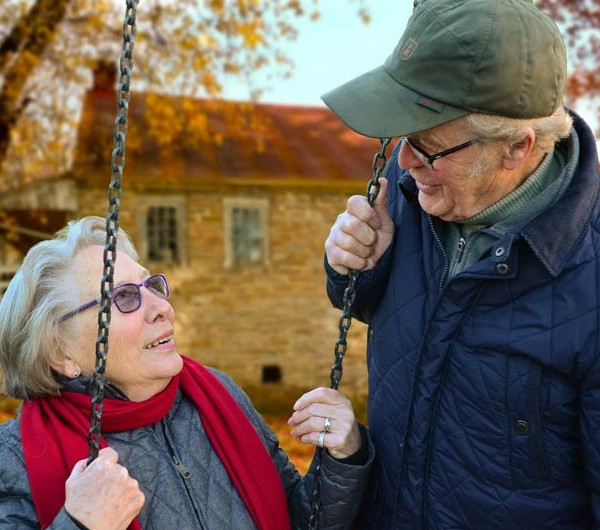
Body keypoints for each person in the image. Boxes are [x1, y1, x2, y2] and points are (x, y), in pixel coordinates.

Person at [322, 0, 600, 528]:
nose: (405, 161)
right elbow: (372, 307)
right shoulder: (410, 196)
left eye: (428, 147)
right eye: (404, 138)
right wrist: (354, 266)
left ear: (517, 148)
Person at [0, 216, 374, 530]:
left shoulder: (216, 395)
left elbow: (300, 517)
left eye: (152, 286)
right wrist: (78, 524)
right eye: (124, 297)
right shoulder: (14, 457)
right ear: (60, 352)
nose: (161, 307)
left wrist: (343, 456)